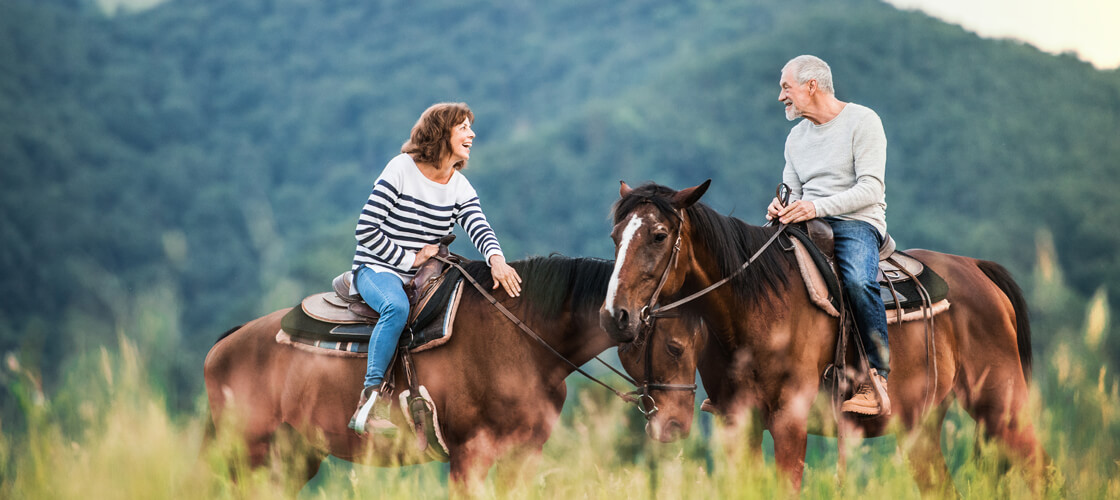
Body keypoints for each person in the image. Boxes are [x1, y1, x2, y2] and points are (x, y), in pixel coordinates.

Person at [348, 102, 522, 435]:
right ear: (442, 133)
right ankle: (369, 402)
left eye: (471, 127)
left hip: (425, 275)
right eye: (463, 127)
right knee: (395, 307)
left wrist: (496, 259)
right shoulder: (401, 168)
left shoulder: (459, 187)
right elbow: (366, 229)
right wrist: (409, 259)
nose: (472, 134)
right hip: (377, 267)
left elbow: (478, 226)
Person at [766, 55, 892, 416]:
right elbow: (791, 191)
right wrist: (778, 207)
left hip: (856, 221)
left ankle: (877, 376)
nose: (780, 97)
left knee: (857, 281)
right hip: (806, 222)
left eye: (785, 88)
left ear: (811, 86)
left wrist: (815, 207)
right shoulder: (795, 137)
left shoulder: (863, 122)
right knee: (755, 270)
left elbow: (870, 189)